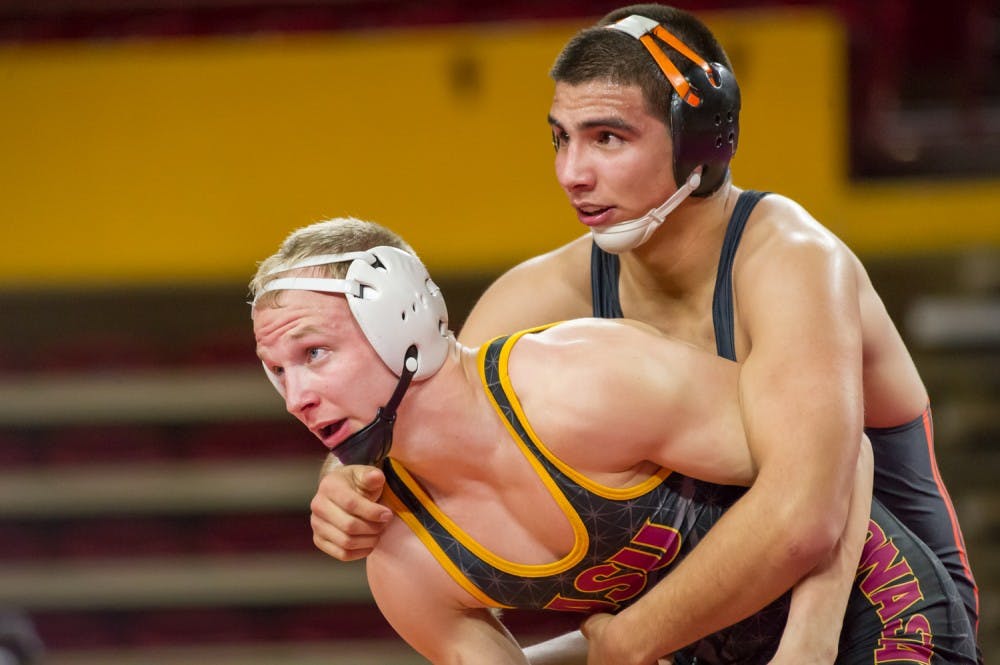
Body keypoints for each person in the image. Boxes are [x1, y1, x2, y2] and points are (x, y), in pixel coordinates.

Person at [309, 5, 982, 662]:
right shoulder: (545, 290)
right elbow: (421, 405)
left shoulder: (792, 259)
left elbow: (808, 513)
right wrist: (344, 478)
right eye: (560, 138)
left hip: (877, 604)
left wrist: (637, 636)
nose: (573, 172)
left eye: (607, 137)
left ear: (702, 139)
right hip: (713, 623)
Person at [250, 217, 977, 665]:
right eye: (276, 370)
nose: (296, 395)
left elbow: (840, 451)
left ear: (399, 320)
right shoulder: (404, 560)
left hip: (869, 608)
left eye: (313, 354)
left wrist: (807, 647)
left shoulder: (582, 383)